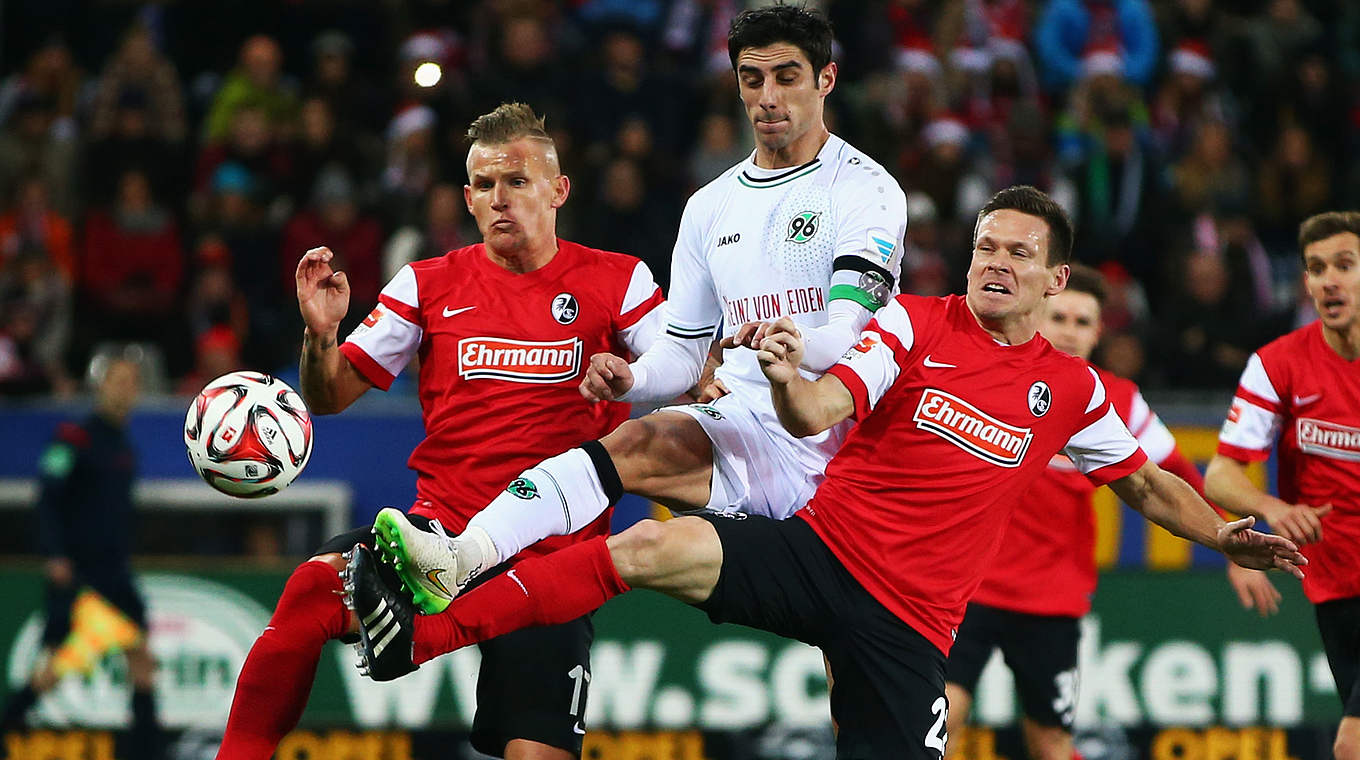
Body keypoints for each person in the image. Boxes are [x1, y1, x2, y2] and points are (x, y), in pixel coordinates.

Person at [346, 186, 1305, 760]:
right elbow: (822, 409)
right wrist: (783, 376)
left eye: (1018, 253)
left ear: (1058, 281)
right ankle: (443, 606)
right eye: (984, 248)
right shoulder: (914, 324)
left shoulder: (1076, 392)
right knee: (644, 543)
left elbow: (1143, 483)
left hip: (910, 625)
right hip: (819, 553)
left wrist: (1222, 536)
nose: (994, 264)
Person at [372, 3, 910, 619]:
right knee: (629, 441)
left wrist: (792, 347)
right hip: (742, 430)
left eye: (787, 77)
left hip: (841, 449)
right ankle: (461, 556)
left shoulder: (865, 189)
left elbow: (850, 329)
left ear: (826, 80)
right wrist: (636, 377)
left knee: (858, 684)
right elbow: (682, 352)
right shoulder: (710, 206)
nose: (768, 97)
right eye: (751, 79)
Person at [213, 103, 664, 760]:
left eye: (517, 181)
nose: (499, 200)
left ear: (558, 190)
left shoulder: (619, 281)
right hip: (436, 543)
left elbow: (683, 373)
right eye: (484, 185)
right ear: (466, 197)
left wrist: (633, 377)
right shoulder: (426, 285)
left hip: (550, 560)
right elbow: (329, 395)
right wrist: (321, 334)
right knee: (312, 588)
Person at [942, 264, 1281, 760]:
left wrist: (1228, 543)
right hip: (968, 590)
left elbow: (1175, 476)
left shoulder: (1115, 401)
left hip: (1052, 601)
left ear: (1099, 331)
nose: (1070, 331)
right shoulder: (990, 376)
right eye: (1060, 317)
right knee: (940, 719)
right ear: (1037, 315)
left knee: (1052, 742)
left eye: (1084, 322)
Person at [1204, 211, 1360, 760]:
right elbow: (1220, 473)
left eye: (1344, 265)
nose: (1328, 281)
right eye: (1316, 268)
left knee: (1352, 746)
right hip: (1337, 585)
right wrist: (1271, 505)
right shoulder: (1278, 365)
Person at [0, 355, 162, 760]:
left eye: (131, 382)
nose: (124, 389)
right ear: (100, 386)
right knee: (53, 669)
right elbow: (48, 498)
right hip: (77, 572)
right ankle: (6, 728)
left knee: (141, 656)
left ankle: (147, 750)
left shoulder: (124, 446)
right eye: (117, 380)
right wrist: (54, 554)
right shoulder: (73, 437)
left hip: (114, 572)